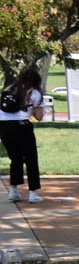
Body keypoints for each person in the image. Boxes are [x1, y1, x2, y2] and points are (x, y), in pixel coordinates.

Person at [1, 68, 45, 204]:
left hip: (3, 126)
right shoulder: (35, 93)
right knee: (31, 158)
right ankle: (33, 193)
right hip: (22, 126)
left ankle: (14, 191)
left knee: (15, 158)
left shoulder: (8, 89)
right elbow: (38, 117)